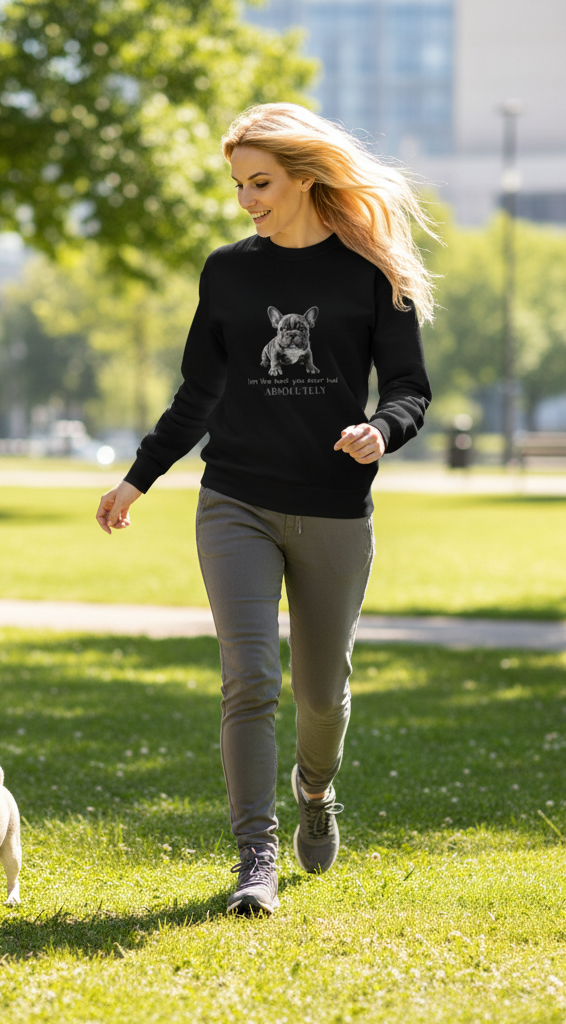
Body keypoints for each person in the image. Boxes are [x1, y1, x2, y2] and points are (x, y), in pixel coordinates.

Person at [95, 103, 434, 916]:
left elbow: (411, 390)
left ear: (307, 178)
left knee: (322, 695)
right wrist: (137, 478)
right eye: (239, 183)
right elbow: (198, 394)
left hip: (333, 508)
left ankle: (315, 793)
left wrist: (379, 432)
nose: (247, 199)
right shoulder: (229, 272)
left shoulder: (372, 274)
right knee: (249, 680)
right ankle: (257, 858)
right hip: (235, 500)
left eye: (262, 182)